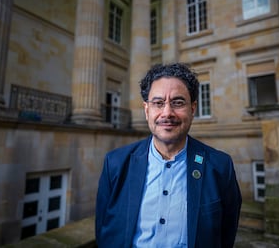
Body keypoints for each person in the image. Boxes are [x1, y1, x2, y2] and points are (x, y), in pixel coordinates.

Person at [95, 63, 242, 248]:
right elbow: (103, 230)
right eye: (158, 103)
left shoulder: (220, 166)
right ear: (147, 110)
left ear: (193, 108)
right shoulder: (115, 163)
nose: (167, 113)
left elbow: (226, 235)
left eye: (178, 102)